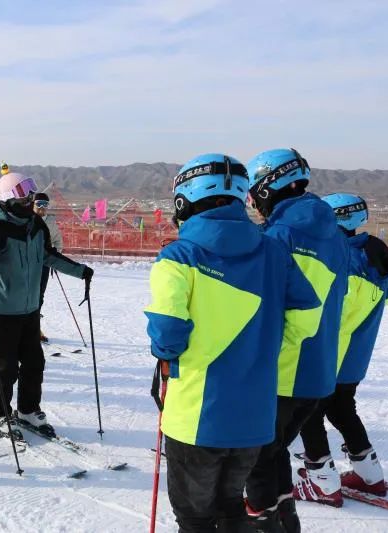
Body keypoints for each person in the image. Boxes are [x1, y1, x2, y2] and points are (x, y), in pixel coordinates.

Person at [144, 154, 319, 533]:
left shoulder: (178, 257)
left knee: (195, 518)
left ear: (184, 199)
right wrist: (265, 348)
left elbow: (167, 333)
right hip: (254, 416)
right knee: (231, 507)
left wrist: (169, 356)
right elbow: (307, 314)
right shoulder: (273, 249)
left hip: (195, 416)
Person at [243, 149, 350, 532]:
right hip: (319, 370)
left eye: (254, 195)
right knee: (272, 456)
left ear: (268, 188)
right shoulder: (333, 233)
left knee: (256, 460)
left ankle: (264, 525)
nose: (253, 205)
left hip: (284, 370)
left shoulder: (280, 235)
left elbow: (268, 306)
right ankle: (286, 523)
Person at [295, 193, 388, 505]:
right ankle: (370, 474)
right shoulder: (376, 253)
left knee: (308, 414)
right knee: (341, 408)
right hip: (354, 356)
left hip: (326, 355)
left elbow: (332, 311)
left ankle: (322, 481)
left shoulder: (341, 259)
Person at [0, 172, 93, 433]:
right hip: (2, 309)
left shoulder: (36, 225)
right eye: (23, 195)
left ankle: (27, 410)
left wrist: (80, 270)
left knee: (34, 362)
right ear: (8, 199)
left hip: (29, 308)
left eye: (30, 194)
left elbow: (48, 256)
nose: (29, 199)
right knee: (6, 367)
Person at [32, 192, 63, 343]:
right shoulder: (26, 220)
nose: (42, 208)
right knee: (25, 296)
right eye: (39, 204)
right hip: (27, 265)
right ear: (33, 204)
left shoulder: (50, 222)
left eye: (45, 205)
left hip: (43, 265)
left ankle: (35, 329)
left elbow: (58, 242)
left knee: (38, 296)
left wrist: (54, 256)